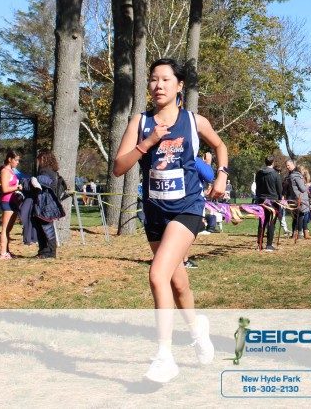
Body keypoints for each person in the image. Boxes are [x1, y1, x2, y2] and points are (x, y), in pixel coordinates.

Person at [112, 58, 224, 383]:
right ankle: (197, 329)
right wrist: (147, 143)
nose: (158, 85)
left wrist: (221, 175)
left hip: (187, 207)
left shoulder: (193, 121)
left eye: (165, 79)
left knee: (157, 274)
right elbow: (119, 167)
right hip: (155, 211)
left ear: (179, 85)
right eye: (153, 79)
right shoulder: (140, 121)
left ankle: (164, 356)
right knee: (177, 282)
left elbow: (220, 145)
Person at [32, 150, 67, 259]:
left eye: (40, 159)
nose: (38, 162)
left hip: (44, 204)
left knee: (45, 228)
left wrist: (33, 181)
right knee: (46, 227)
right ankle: (46, 251)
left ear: (44, 159)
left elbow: (46, 184)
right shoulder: (53, 172)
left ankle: (48, 252)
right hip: (49, 203)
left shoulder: (45, 171)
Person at [0, 150, 23, 259]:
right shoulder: (5, 171)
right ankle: (2, 253)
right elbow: (5, 188)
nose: (17, 162)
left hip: (14, 202)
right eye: (16, 160)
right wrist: (17, 187)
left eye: (18, 160)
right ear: (9, 159)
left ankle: (7, 251)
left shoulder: (12, 171)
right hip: (7, 202)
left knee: (8, 229)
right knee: (5, 229)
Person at [253, 156, 283, 251]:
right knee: (271, 222)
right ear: (273, 163)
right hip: (273, 201)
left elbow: (257, 187)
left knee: (262, 222)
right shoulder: (275, 174)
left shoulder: (259, 173)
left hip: (261, 200)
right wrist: (280, 199)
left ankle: (259, 244)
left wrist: (258, 197)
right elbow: (279, 189)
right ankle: (269, 245)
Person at [285, 160, 310, 242]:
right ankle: (299, 233)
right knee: (300, 216)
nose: (287, 167)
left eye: (288, 165)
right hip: (299, 198)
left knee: (296, 217)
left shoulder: (291, 175)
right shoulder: (296, 176)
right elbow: (302, 189)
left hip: (294, 198)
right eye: (286, 165)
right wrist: (308, 185)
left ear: (293, 165)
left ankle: (294, 233)